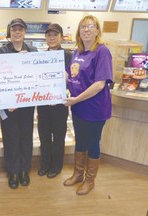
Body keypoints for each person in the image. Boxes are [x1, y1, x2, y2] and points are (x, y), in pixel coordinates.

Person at [63, 15, 113, 195]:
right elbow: (70, 76)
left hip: (95, 109)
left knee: (92, 143)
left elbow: (100, 84)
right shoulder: (77, 52)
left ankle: (89, 180)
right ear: (79, 31)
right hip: (78, 108)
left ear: (97, 31)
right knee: (80, 141)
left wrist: (75, 99)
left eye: (90, 26)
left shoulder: (102, 51)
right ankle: (78, 174)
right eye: (83, 26)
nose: (86, 29)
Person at [0, 18, 37, 189]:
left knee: (26, 138)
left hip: (27, 103)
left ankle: (24, 170)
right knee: (11, 138)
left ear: (24, 32)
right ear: (10, 32)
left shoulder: (33, 50)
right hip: (9, 106)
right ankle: (13, 171)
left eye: (20, 29)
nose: (17, 32)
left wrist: (29, 60)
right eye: (14, 29)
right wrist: (7, 101)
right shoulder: (1, 51)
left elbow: (37, 76)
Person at [37, 24, 72, 179]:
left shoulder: (68, 56)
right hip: (43, 104)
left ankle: (56, 166)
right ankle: (45, 164)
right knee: (44, 136)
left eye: (55, 35)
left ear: (61, 37)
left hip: (60, 104)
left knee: (58, 137)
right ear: (46, 38)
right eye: (49, 35)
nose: (51, 38)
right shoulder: (40, 57)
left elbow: (74, 79)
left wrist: (67, 78)